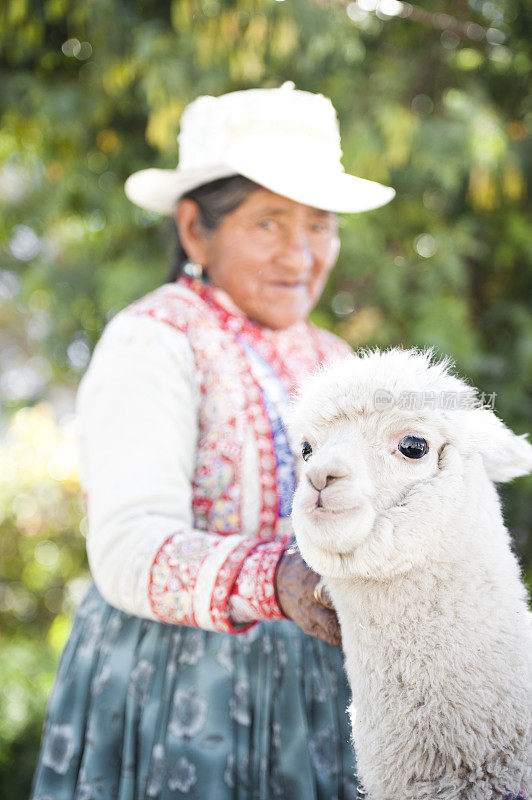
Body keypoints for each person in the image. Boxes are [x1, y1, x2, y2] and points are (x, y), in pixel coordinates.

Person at [29, 82, 394, 800]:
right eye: (269, 223)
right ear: (196, 228)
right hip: (176, 691)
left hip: (315, 695)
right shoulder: (154, 340)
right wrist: (275, 581)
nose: (302, 252)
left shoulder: (334, 360)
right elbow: (128, 547)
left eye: (321, 224)